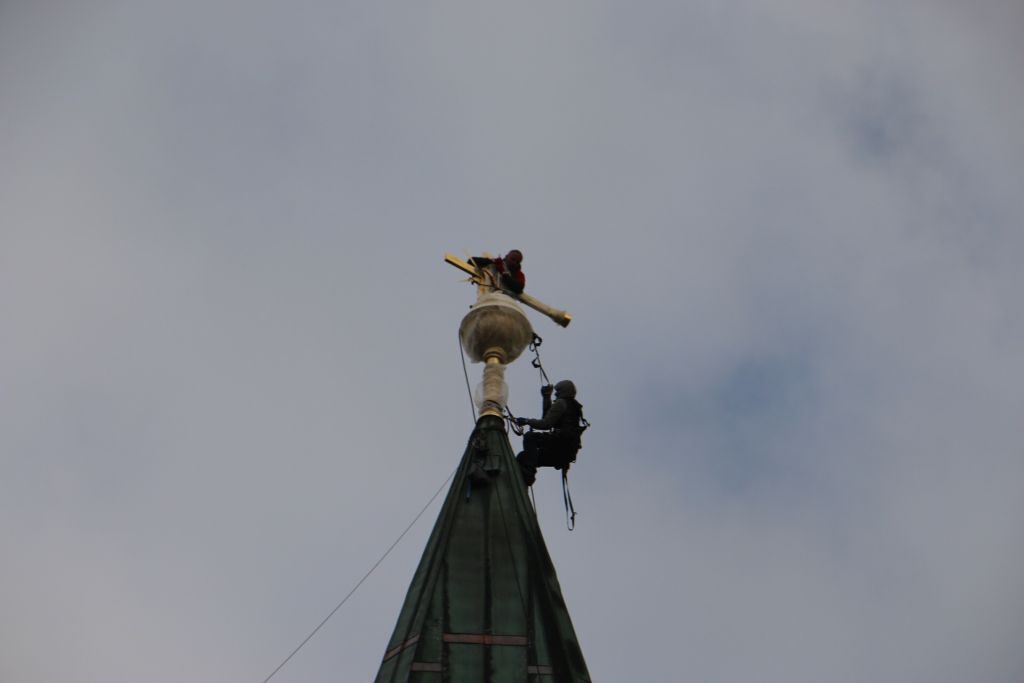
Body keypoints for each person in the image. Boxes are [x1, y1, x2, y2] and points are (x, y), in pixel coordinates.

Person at [515, 380, 584, 486]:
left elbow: (546, 424)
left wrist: (526, 421)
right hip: (565, 454)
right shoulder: (572, 407)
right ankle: (525, 476)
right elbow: (549, 418)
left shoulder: (561, 403)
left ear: (563, 392)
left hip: (560, 445)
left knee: (530, 437)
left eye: (558, 391)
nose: (555, 394)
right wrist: (546, 397)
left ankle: (529, 473)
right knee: (524, 457)